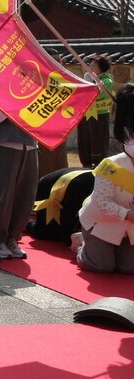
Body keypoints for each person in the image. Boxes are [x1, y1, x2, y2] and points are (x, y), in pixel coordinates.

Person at [74, 84, 134, 273]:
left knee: (129, 268)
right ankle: (80, 243)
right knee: (102, 266)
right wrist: (127, 214)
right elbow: (101, 201)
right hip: (101, 222)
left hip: (129, 228)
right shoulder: (110, 165)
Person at [0, 93, 39, 259]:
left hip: (30, 146)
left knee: (26, 196)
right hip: (2, 145)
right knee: (2, 196)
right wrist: (13, 100)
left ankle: (12, 237)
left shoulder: (35, 89)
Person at [78, 55, 117, 168]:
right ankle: (86, 162)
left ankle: (98, 163)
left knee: (97, 139)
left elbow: (95, 94)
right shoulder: (88, 77)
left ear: (101, 67)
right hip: (85, 113)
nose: (90, 67)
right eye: (90, 65)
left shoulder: (106, 81)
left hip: (100, 114)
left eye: (93, 65)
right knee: (85, 139)